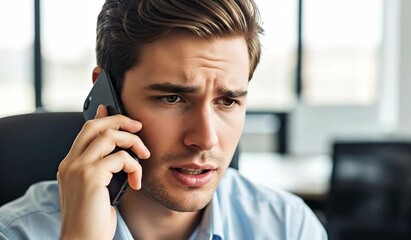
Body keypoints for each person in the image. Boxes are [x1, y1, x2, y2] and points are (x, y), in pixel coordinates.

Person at [0, 0, 327, 239]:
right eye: (172, 98)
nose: (206, 138)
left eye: (227, 101)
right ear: (106, 95)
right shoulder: (15, 233)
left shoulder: (288, 226)